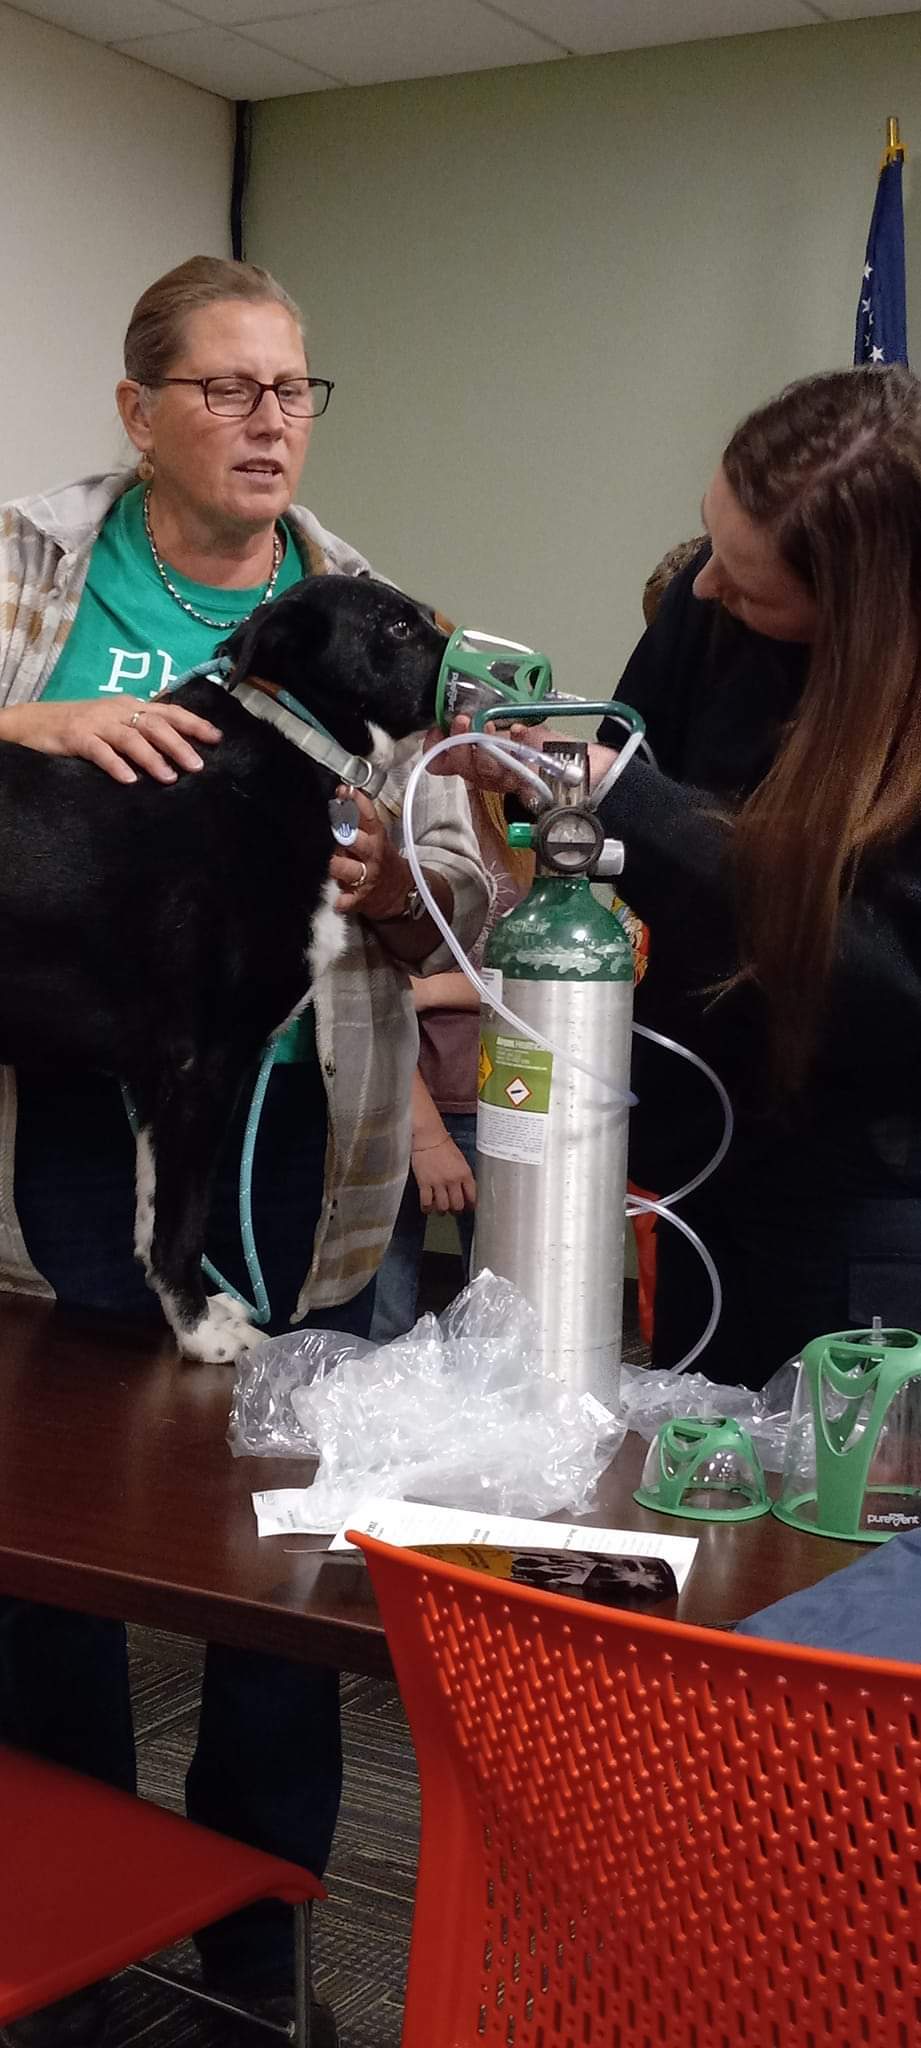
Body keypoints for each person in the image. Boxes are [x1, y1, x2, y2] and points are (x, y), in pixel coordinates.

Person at [0, 255, 489, 2048]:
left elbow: (473, 873)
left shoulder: (364, 609)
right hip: (65, 1139)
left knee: (286, 1544)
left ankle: (265, 1918)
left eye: (293, 387)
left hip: (304, 1139)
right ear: (140, 412)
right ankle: (64, 1906)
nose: (270, 420)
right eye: (227, 387)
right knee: (57, 1539)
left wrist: (403, 881)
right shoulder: (27, 569)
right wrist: (19, 723)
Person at [441, 366, 921, 1394]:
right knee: (695, 1467)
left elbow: (889, 984)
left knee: (835, 1485)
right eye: (711, 542)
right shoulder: (709, 604)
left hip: (869, 1206)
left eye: (747, 584)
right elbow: (630, 795)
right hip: (706, 1162)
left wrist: (634, 802)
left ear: (859, 607)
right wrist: (547, 778)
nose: (705, 589)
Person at [368, 791, 531, 1340]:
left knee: (504, 1327)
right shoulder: (393, 806)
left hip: (508, 1103)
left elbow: (549, 981)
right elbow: (365, 994)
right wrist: (425, 1134)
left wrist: (435, 988)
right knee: (378, 1328)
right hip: (395, 1104)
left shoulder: (525, 814)